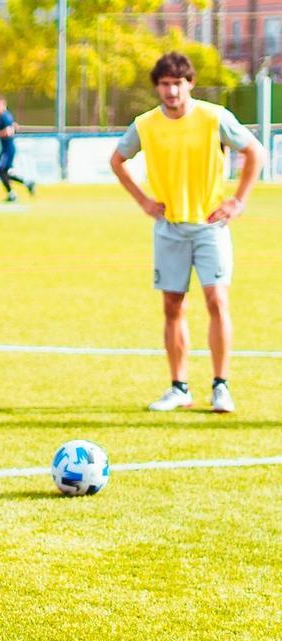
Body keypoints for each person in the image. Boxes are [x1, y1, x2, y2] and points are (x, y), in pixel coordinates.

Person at [110, 52, 263, 414]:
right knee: (172, 306)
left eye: (177, 84)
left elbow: (254, 151)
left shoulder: (214, 117)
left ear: (189, 84)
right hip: (169, 229)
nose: (171, 91)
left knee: (217, 301)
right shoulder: (145, 124)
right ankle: (179, 387)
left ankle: (221, 386)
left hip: (211, 227)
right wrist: (143, 201)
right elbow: (117, 160)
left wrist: (238, 201)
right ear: (157, 87)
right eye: (164, 84)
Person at [0, 94, 35, 202]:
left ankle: (14, 193)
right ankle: (26, 184)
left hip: (8, 149)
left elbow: (8, 132)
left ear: (0, 103)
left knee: (1, 171)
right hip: (5, 149)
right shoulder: (3, 116)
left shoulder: (4, 116)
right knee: (4, 172)